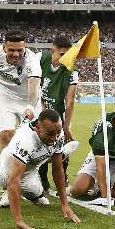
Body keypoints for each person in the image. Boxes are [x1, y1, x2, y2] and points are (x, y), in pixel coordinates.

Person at [0, 109, 81, 229]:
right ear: (37, 128)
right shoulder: (25, 140)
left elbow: (57, 169)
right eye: (50, 134)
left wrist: (64, 204)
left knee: (36, 193)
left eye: (58, 132)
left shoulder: (57, 134)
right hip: (7, 172)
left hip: (31, 169)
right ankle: (7, 193)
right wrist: (19, 220)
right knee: (9, 184)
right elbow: (13, 181)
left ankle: (60, 153)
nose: (55, 138)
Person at [37, 36, 79, 192]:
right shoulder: (40, 59)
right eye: (62, 54)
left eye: (68, 55)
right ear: (52, 51)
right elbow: (33, 84)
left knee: (63, 146)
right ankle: (42, 180)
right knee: (40, 144)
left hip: (59, 113)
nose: (66, 58)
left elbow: (70, 101)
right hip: (39, 109)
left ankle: (63, 176)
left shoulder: (72, 71)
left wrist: (66, 127)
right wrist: (39, 112)